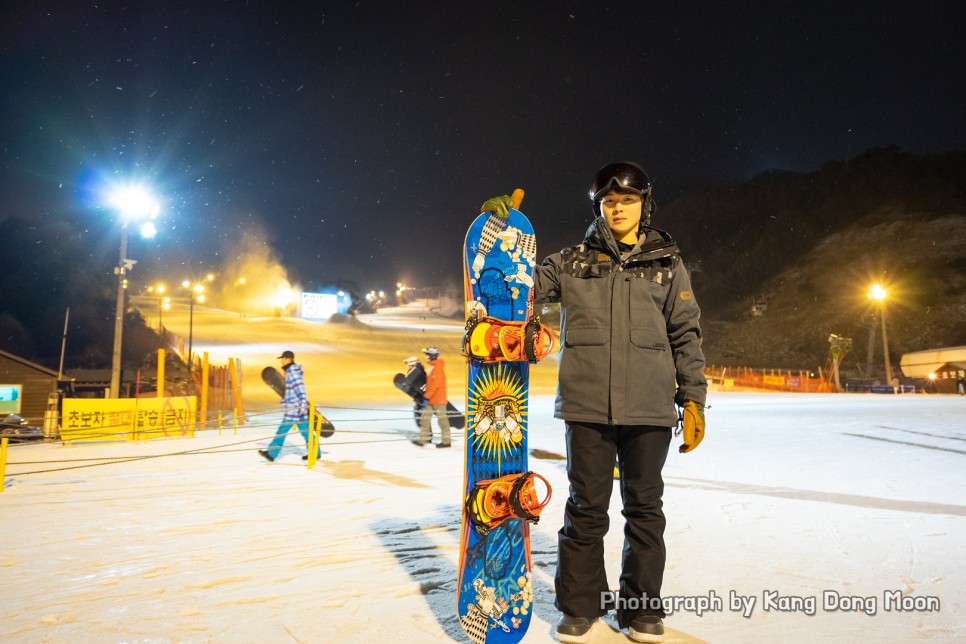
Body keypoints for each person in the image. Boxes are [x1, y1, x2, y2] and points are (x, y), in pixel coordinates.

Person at [483, 161, 707, 644]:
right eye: (609, 202)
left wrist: (693, 399)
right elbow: (515, 291)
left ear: (644, 205)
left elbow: (686, 334)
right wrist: (499, 238)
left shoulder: (668, 265)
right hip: (587, 408)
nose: (618, 208)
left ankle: (642, 610)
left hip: (648, 408)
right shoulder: (572, 262)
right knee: (586, 509)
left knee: (645, 509)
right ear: (599, 208)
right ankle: (580, 606)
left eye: (627, 200)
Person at [259, 350, 321, 462]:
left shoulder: (293, 373)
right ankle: (315, 453)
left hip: (295, 410)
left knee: (281, 431)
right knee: (306, 433)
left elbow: (301, 390)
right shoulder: (290, 372)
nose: (281, 361)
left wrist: (302, 406)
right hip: (295, 409)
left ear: (289, 359)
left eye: (283, 358)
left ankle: (271, 454)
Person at [412, 347, 452, 448]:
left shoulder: (437, 368)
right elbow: (430, 384)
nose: (426, 356)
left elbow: (436, 385)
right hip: (431, 400)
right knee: (425, 419)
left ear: (432, 356)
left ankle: (446, 442)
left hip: (438, 400)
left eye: (427, 355)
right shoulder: (431, 368)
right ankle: (423, 440)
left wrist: (426, 396)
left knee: (442, 421)